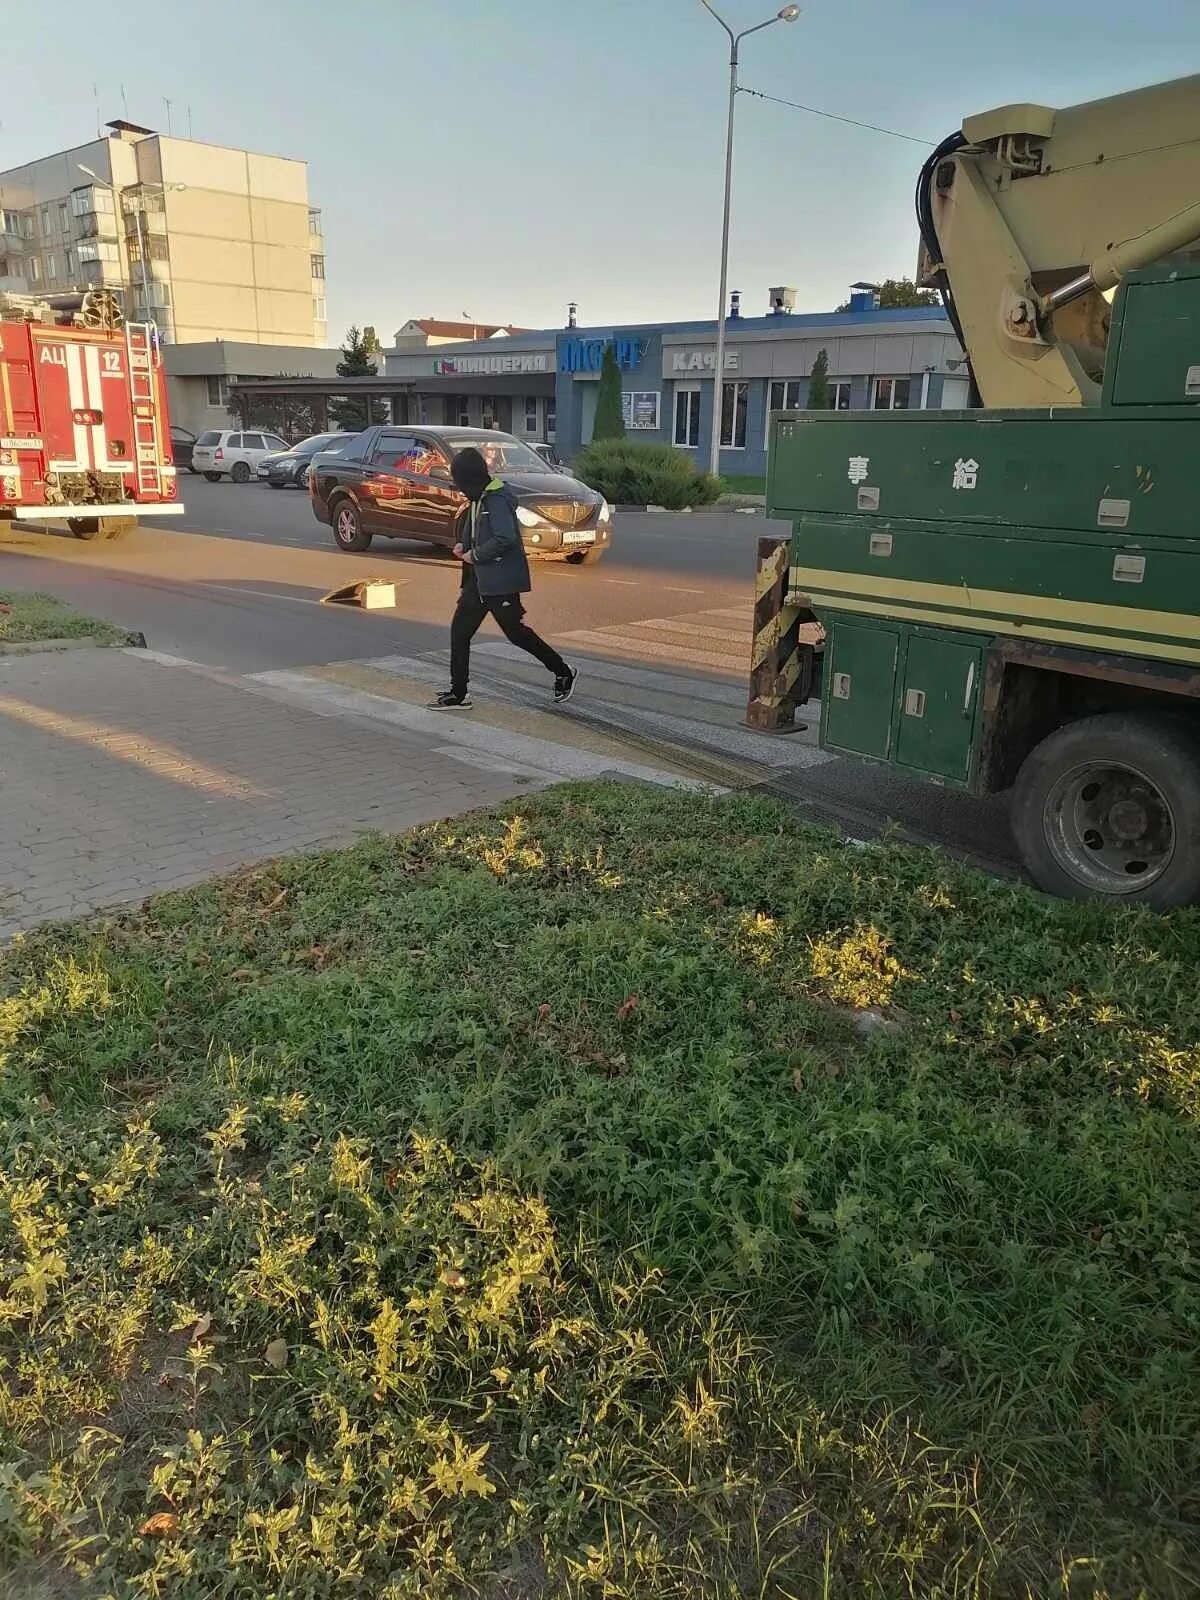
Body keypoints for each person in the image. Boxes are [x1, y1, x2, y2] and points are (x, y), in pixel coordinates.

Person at [431, 447, 577, 710]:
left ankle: (563, 671)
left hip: (500, 582)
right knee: (460, 633)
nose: (461, 489)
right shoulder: (479, 498)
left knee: (517, 635)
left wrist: (475, 555)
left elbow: (504, 538)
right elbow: (473, 527)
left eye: (462, 483)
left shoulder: (497, 498)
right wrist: (462, 546)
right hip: (478, 582)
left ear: (472, 479)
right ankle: (458, 693)